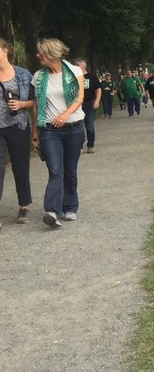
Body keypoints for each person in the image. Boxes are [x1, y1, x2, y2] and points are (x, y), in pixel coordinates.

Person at [32, 38, 85, 229]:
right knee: (55, 170)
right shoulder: (38, 76)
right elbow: (37, 105)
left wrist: (65, 115)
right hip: (49, 131)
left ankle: (70, 206)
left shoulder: (74, 71)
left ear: (51, 53)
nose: (37, 55)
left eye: (41, 53)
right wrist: (35, 132)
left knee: (70, 170)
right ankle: (53, 211)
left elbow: (79, 98)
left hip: (74, 128)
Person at [0, 37, 36, 225]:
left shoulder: (22, 74)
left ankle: (24, 206)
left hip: (18, 126)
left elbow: (34, 101)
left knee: (20, 167)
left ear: (5, 50)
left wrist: (21, 104)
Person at [74, 58, 101, 154]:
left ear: (83, 66)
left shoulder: (92, 77)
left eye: (78, 65)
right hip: (77, 105)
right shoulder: (73, 78)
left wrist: (97, 101)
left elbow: (98, 90)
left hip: (89, 103)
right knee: (79, 127)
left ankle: (90, 144)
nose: (76, 66)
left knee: (89, 126)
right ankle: (79, 146)